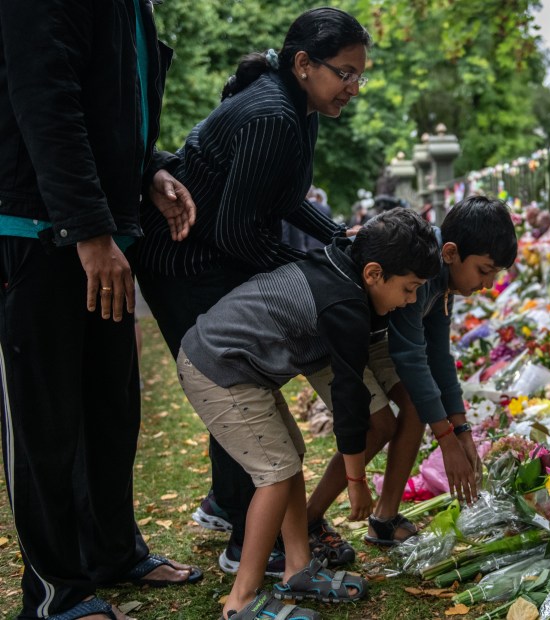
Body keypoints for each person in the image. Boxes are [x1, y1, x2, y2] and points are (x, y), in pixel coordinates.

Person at [133, 6, 371, 576]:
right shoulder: (273, 115)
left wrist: (338, 240)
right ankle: (248, 540)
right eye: (345, 73)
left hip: (214, 254)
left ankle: (226, 504)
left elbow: (284, 198)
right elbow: (238, 232)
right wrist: (319, 273)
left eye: (360, 74)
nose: (354, 88)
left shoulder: (300, 107)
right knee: (237, 384)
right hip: (182, 260)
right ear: (304, 63)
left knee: (243, 384)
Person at [0, 2, 202, 619]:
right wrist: (87, 229)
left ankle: (113, 554)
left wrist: (152, 170)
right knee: (46, 419)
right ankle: (55, 589)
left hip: (103, 231)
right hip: (38, 228)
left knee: (110, 408)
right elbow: (45, 98)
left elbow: (115, 106)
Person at [177, 209, 441, 620]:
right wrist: (356, 482)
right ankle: (241, 600)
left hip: (239, 367)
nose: (410, 301)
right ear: (373, 273)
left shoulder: (343, 265)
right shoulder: (346, 304)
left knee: (288, 459)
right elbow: (349, 397)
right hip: (220, 366)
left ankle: (298, 568)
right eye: (409, 289)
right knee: (276, 473)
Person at [302, 196, 517, 557]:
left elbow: (437, 356)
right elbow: (410, 356)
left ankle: (384, 519)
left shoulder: (441, 275)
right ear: (450, 252)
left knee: (418, 405)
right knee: (379, 424)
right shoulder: (419, 268)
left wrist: (460, 429)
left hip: (371, 336)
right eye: (484, 270)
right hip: (330, 337)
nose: (488, 284)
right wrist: (446, 439)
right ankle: (306, 520)